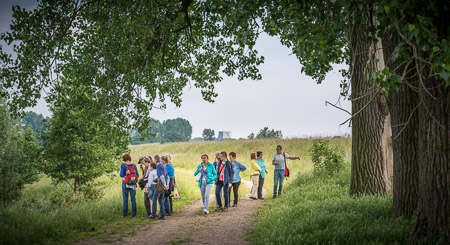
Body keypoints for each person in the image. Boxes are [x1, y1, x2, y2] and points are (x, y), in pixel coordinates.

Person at [120, 153, 139, 218]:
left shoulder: (123, 165)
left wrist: (126, 173)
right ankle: (133, 214)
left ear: (124, 159)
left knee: (125, 199)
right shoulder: (134, 165)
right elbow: (137, 175)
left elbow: (121, 175)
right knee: (133, 199)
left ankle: (125, 214)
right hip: (133, 184)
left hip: (125, 183)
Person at [150, 154, 169, 220]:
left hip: (160, 184)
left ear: (155, 160)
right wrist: (167, 184)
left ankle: (153, 214)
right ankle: (162, 215)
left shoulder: (158, 165)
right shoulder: (163, 165)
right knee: (161, 199)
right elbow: (167, 176)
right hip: (164, 183)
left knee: (154, 198)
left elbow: (161, 176)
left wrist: (164, 184)